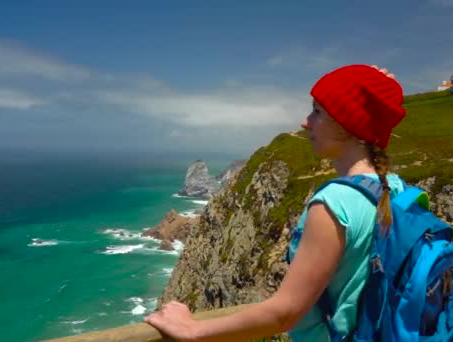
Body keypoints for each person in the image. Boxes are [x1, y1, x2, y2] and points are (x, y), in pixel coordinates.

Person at [144, 64, 407, 341]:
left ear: (347, 122)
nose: (306, 122)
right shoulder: (395, 188)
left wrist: (192, 329)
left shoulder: (334, 203)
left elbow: (285, 313)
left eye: (317, 111)